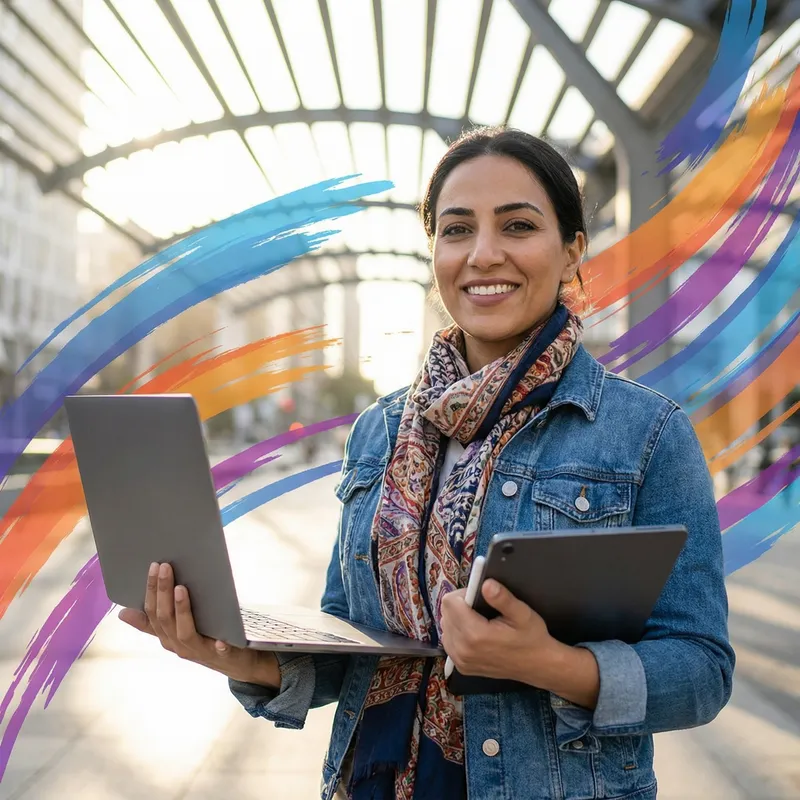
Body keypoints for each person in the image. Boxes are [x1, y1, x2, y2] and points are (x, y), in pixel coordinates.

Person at [119, 127, 735, 800]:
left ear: (571, 252)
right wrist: (239, 656)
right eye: (456, 230)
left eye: (519, 226)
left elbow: (701, 671)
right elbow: (349, 645)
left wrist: (555, 665)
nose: (483, 254)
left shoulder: (646, 434)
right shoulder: (380, 430)